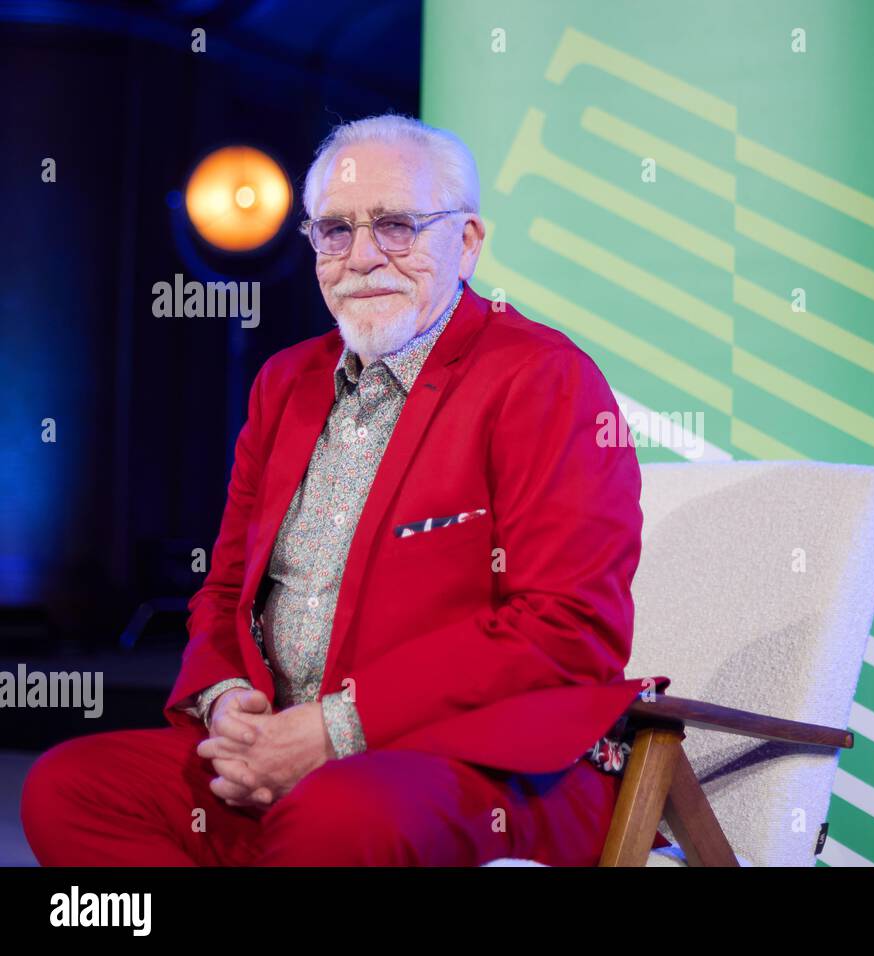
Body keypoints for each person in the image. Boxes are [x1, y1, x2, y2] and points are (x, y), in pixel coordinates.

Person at [21, 113, 666, 866]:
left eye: (396, 226)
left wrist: (335, 731)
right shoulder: (285, 383)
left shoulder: (544, 379)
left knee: (336, 816)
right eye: (335, 230)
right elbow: (225, 588)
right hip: (284, 755)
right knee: (71, 787)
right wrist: (228, 703)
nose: (362, 257)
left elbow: (566, 628)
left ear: (466, 244)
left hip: (487, 769)